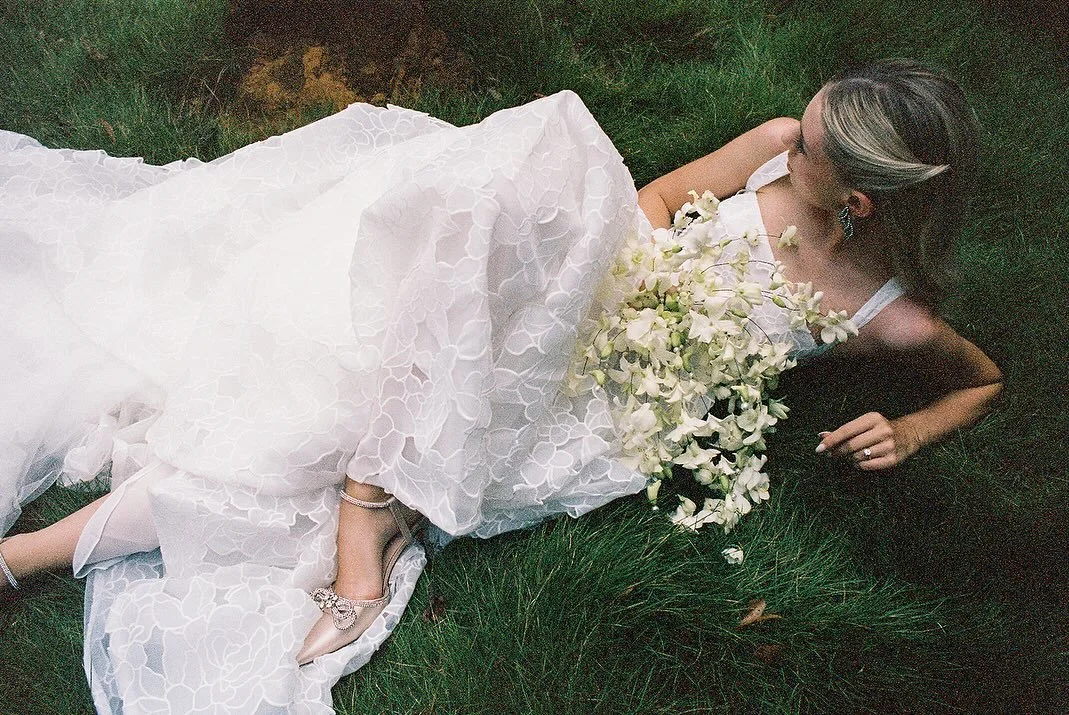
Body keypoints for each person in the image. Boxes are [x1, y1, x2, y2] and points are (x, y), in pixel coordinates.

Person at [0, 59, 1001, 710]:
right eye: (804, 121)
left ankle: (35, 554)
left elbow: (980, 381)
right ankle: (365, 501)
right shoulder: (769, 151)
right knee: (385, 334)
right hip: (597, 290)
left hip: (619, 400)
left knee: (340, 422)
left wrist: (912, 429)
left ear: (858, 202)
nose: (789, 137)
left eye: (810, 147)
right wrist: (637, 275)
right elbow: (656, 197)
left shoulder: (888, 315)